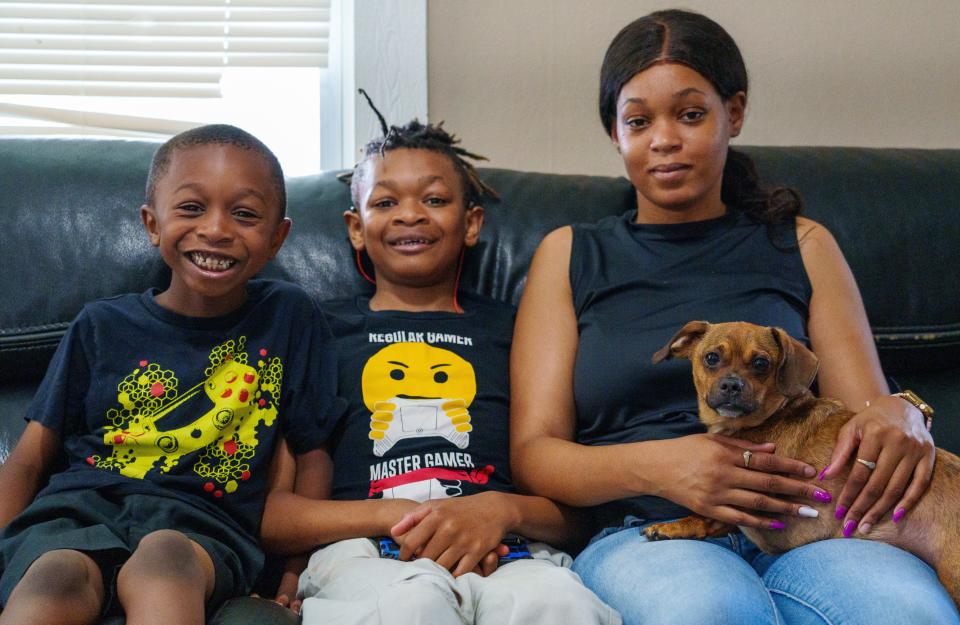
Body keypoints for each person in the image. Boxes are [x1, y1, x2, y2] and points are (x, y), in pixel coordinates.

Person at [509, 9, 959, 625]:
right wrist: (664, 464)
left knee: (900, 613)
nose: (664, 139)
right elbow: (534, 453)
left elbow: (868, 416)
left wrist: (909, 411)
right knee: (711, 612)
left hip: (812, 524)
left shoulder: (802, 244)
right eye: (638, 121)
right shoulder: (570, 254)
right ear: (615, 132)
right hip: (651, 528)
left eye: (690, 114)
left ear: (735, 113)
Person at [260, 99, 620, 625]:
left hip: (506, 547)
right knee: (409, 607)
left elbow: (577, 514)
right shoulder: (317, 330)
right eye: (384, 203)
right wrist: (393, 515)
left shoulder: (519, 330)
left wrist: (502, 511)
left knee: (559, 605)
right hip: (367, 549)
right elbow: (275, 513)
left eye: (433, 198)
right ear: (355, 227)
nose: (410, 214)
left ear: (471, 222)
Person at [0, 124, 337, 625]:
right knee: (56, 573)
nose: (217, 229)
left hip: (201, 525)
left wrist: (295, 572)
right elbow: (29, 458)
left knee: (163, 557)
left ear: (277, 238)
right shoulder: (100, 323)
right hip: (76, 511)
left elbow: (313, 455)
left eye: (244, 214)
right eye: (192, 208)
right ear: (152, 223)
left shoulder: (288, 316)